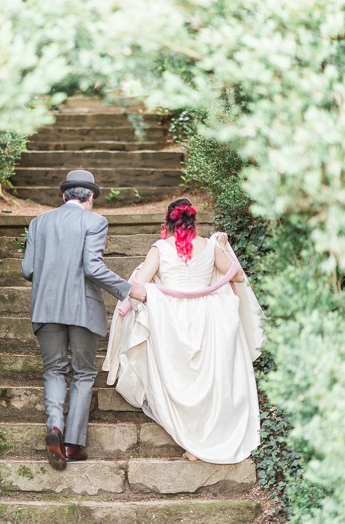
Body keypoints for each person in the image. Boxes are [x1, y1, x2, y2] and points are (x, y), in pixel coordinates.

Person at [104, 198, 262, 464]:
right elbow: (236, 276)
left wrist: (149, 280)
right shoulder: (209, 247)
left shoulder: (160, 249)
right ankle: (207, 436)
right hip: (208, 316)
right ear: (194, 221)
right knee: (209, 379)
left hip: (171, 317)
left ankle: (190, 438)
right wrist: (221, 250)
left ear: (168, 221)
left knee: (179, 376)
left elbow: (139, 286)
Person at [20, 170, 147, 471]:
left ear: (64, 196)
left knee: (53, 370)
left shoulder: (39, 223)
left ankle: (54, 427)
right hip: (81, 309)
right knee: (83, 373)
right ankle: (72, 444)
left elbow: (26, 269)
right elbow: (92, 267)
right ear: (89, 198)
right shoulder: (95, 221)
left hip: (46, 308)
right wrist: (128, 290)